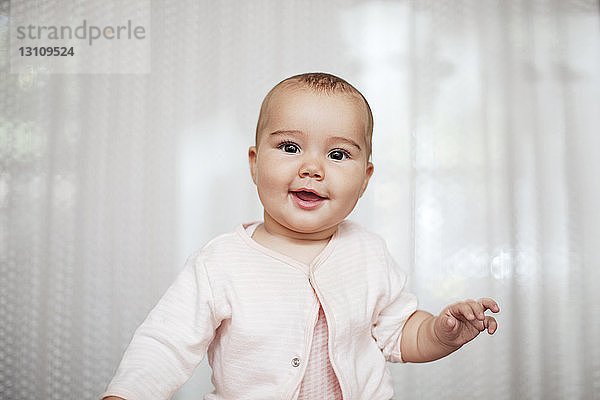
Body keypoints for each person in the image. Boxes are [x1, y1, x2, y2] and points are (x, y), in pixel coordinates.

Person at [101, 72, 499, 400]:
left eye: (338, 154)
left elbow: (399, 335)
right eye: (290, 147)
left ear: (365, 179)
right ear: (255, 165)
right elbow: (165, 345)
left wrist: (439, 333)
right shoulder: (219, 264)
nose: (312, 167)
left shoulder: (368, 253)